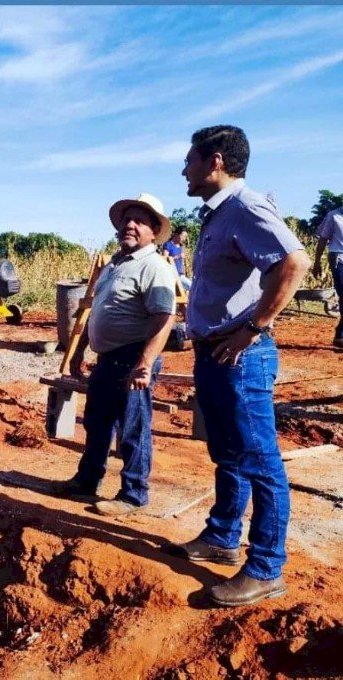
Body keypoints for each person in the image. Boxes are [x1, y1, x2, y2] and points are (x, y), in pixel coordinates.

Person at [175, 125, 309, 607]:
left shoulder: (247, 207)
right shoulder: (219, 214)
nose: (183, 170)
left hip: (242, 355)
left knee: (259, 459)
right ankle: (222, 537)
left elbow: (294, 262)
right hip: (215, 353)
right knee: (228, 452)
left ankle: (267, 568)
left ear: (214, 161)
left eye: (189, 160)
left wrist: (253, 327)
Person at [60, 193, 176, 517]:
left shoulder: (154, 266)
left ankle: (134, 494)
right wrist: (79, 349)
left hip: (133, 359)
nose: (130, 225)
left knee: (133, 428)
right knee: (97, 423)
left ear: (154, 231)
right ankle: (86, 481)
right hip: (107, 360)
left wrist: (145, 363)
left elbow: (164, 318)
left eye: (139, 221)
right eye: (127, 219)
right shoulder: (114, 264)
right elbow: (96, 309)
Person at [311, 205, 343, 347]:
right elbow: (323, 239)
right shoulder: (333, 216)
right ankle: (341, 335)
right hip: (338, 259)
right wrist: (317, 262)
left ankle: (340, 333)